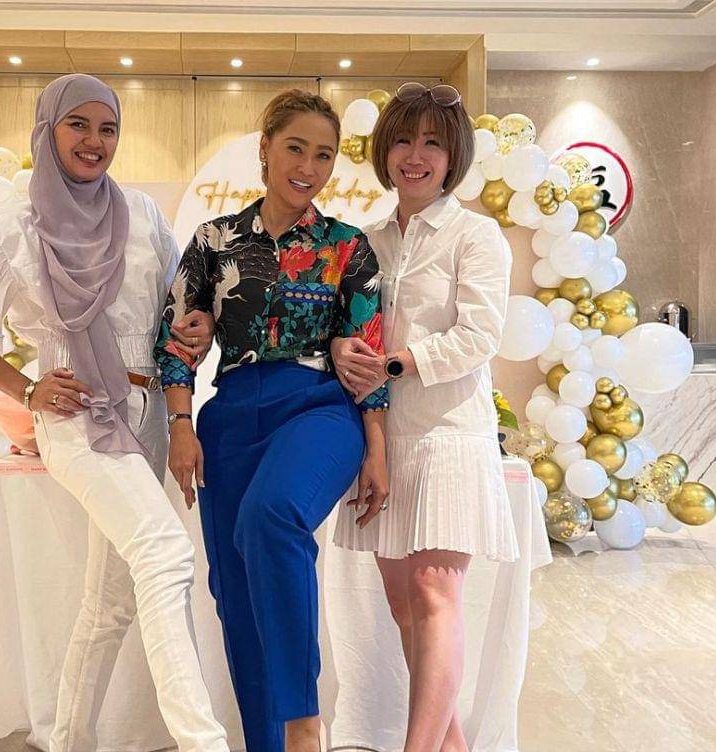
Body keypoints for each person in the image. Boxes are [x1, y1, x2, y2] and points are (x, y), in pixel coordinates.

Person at [0, 74, 229, 752]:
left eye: (107, 128)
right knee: (165, 553)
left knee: (109, 603)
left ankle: (70, 739)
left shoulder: (141, 214)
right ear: (47, 131)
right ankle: (204, 743)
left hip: (145, 412)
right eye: (77, 124)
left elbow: (178, 305)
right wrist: (25, 389)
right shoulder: (18, 226)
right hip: (78, 416)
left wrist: (193, 326)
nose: (94, 141)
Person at [154, 89, 390, 752]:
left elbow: (368, 356)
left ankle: (303, 725)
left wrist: (375, 447)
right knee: (235, 589)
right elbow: (177, 338)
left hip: (319, 409)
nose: (308, 167)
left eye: (324, 155)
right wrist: (180, 424)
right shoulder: (214, 242)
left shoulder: (348, 248)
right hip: (230, 415)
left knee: (271, 516)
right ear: (265, 149)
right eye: (295, 148)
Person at [331, 82, 520, 752]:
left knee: (436, 594)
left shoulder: (477, 235)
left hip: (449, 435)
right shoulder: (365, 240)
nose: (416, 156)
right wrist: (345, 352)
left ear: (452, 157)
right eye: (405, 140)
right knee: (404, 605)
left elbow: (480, 336)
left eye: (433, 143)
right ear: (386, 151)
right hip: (383, 440)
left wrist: (395, 362)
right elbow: (348, 328)